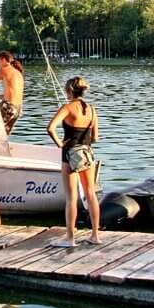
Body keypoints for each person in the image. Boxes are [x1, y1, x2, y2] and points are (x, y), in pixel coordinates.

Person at [46, 76, 100, 247]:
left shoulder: (67, 107)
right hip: (87, 153)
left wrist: (60, 143)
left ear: (69, 90)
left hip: (70, 155)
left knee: (71, 198)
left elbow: (50, 128)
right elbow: (95, 137)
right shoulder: (91, 109)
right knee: (91, 194)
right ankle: (95, 235)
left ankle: (70, 238)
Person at [0, 51, 24, 134]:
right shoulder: (18, 72)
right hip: (18, 108)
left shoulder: (3, 69)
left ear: (3, 60)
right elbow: (12, 93)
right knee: (5, 130)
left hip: (9, 107)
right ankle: (3, 146)